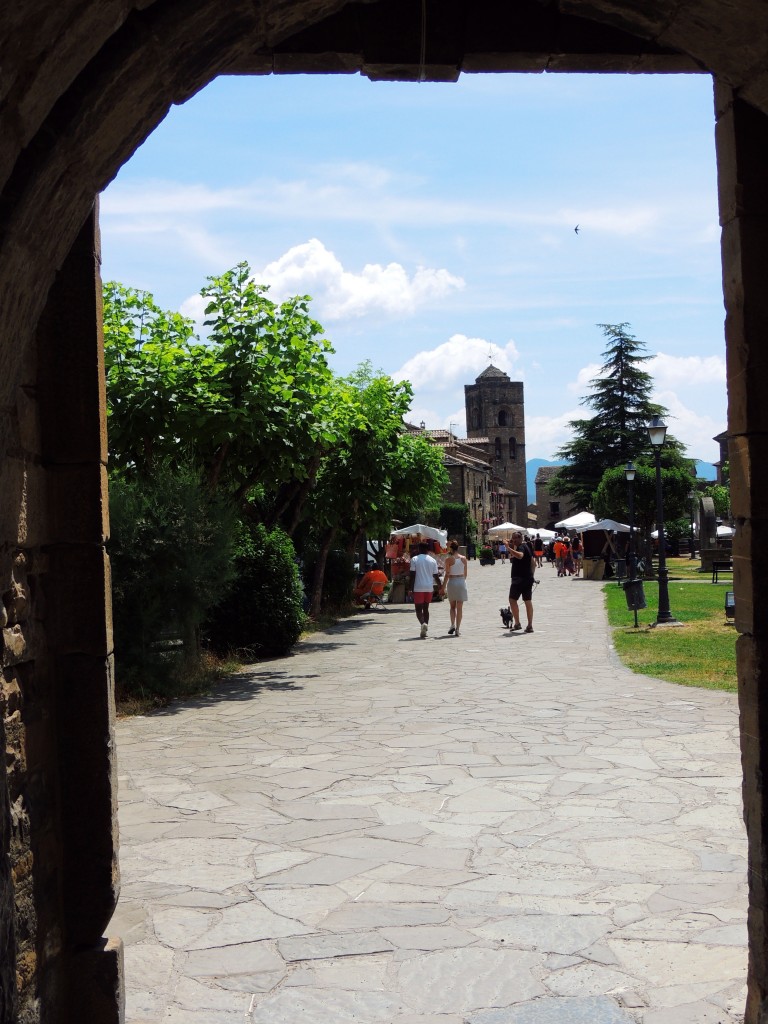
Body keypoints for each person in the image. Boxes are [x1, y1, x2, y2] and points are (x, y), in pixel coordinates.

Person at [409, 542, 441, 638]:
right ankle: (425, 629)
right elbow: (436, 576)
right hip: (429, 588)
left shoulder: (414, 559)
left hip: (418, 587)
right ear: (428, 549)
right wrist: (441, 587)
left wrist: (410, 589)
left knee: (418, 609)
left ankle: (423, 624)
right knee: (426, 609)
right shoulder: (432, 560)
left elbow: (412, 576)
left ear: (419, 548)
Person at [508, 530, 535, 633]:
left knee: (512, 600)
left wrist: (508, 548)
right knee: (528, 601)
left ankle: (517, 623)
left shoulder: (521, 547)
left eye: (516, 538)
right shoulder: (527, 547)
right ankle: (530, 625)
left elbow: (520, 555)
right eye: (513, 538)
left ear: (521, 538)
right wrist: (532, 576)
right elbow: (533, 563)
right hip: (527, 578)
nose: (514, 540)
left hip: (519, 579)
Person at [440, 539, 468, 636]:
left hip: (452, 582)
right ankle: (458, 629)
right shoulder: (464, 558)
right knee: (460, 607)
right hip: (461, 581)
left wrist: (443, 588)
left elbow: (447, 574)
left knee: (452, 607)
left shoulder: (448, 560)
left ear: (451, 548)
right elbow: (465, 574)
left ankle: (452, 624)